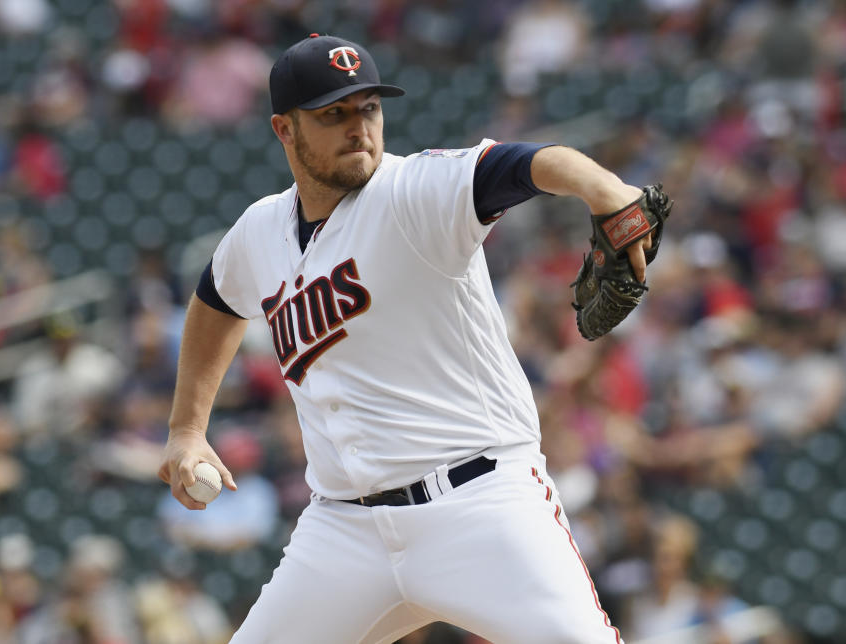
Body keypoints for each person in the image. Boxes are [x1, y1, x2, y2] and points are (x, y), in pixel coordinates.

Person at [158, 33, 655, 643]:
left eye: (367, 107)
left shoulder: (415, 191)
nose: (357, 127)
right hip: (343, 532)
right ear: (284, 130)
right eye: (332, 114)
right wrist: (187, 429)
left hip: (479, 505)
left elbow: (524, 163)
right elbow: (215, 300)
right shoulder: (258, 231)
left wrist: (604, 190)